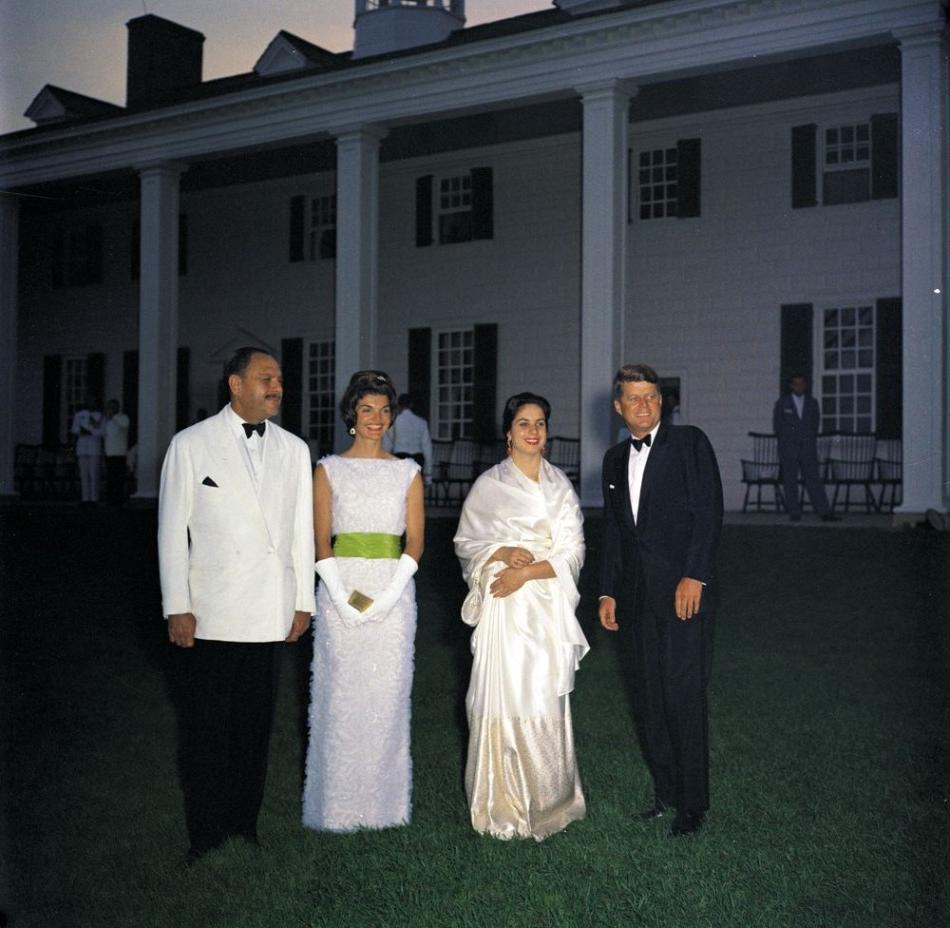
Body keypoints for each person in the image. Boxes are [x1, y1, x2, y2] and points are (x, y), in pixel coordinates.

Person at [158, 346, 315, 865]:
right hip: (211, 614)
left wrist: (301, 601)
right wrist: (177, 604)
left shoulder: (294, 449)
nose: (277, 388)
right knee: (207, 731)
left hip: (269, 613)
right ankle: (203, 835)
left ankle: (242, 827)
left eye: (280, 380)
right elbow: (170, 533)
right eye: (266, 378)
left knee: (254, 730)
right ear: (234, 384)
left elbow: (300, 532)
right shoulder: (191, 444)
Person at [454, 392, 588, 841]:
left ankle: (551, 799)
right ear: (508, 434)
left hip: (545, 604)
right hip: (505, 609)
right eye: (524, 423)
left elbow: (574, 551)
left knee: (542, 692)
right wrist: (501, 552)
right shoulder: (489, 485)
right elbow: (466, 543)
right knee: (505, 695)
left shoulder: (560, 486)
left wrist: (527, 572)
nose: (534, 431)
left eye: (541, 423)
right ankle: (502, 802)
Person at [599, 364, 723, 838]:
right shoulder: (613, 460)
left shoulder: (690, 443)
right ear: (619, 407)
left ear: (662, 401)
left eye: (652, 396)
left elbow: (709, 512)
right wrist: (608, 589)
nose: (645, 405)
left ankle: (693, 805)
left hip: (682, 595)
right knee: (649, 699)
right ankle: (666, 794)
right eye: (635, 398)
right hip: (634, 599)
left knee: (682, 696)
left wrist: (696, 575)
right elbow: (614, 531)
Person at [303, 370, 424, 832]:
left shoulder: (407, 472)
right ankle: (335, 810)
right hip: (341, 591)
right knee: (342, 697)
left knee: (388, 697)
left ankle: (385, 810)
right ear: (351, 414)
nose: (376, 419)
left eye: (384, 410)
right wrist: (341, 596)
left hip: (394, 596)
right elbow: (320, 542)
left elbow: (414, 542)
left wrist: (390, 595)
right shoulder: (328, 470)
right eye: (367, 409)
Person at [773, 374, 840, 522]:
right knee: (790, 481)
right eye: (795, 384)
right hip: (789, 449)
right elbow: (778, 426)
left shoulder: (812, 403)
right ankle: (794, 512)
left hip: (807, 448)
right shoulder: (782, 403)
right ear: (791, 386)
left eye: (801, 384)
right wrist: (786, 443)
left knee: (813, 479)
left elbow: (814, 424)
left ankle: (823, 511)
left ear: (805, 385)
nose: (798, 386)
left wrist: (808, 441)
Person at [383, 393, 433, 485]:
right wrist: (428, 472)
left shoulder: (393, 422)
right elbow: (427, 447)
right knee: (415, 487)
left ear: (398, 405)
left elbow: (387, 445)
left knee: (401, 488)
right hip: (418, 458)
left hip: (400, 456)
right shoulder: (421, 422)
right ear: (411, 405)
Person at [70, 395, 103, 504]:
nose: (91, 403)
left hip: (94, 447)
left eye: (93, 401)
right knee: (83, 474)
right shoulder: (79, 415)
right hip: (82, 447)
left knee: (94, 474)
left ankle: (94, 499)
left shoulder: (100, 415)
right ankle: (85, 498)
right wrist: (80, 431)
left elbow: (102, 432)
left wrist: (91, 431)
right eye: (89, 401)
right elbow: (74, 429)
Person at [103, 399, 130, 505]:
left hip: (120, 453)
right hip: (109, 453)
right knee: (110, 478)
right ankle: (111, 500)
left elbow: (124, 425)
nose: (111, 409)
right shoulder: (106, 420)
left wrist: (113, 416)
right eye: (110, 407)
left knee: (119, 478)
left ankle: (119, 500)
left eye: (113, 407)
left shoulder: (123, 418)